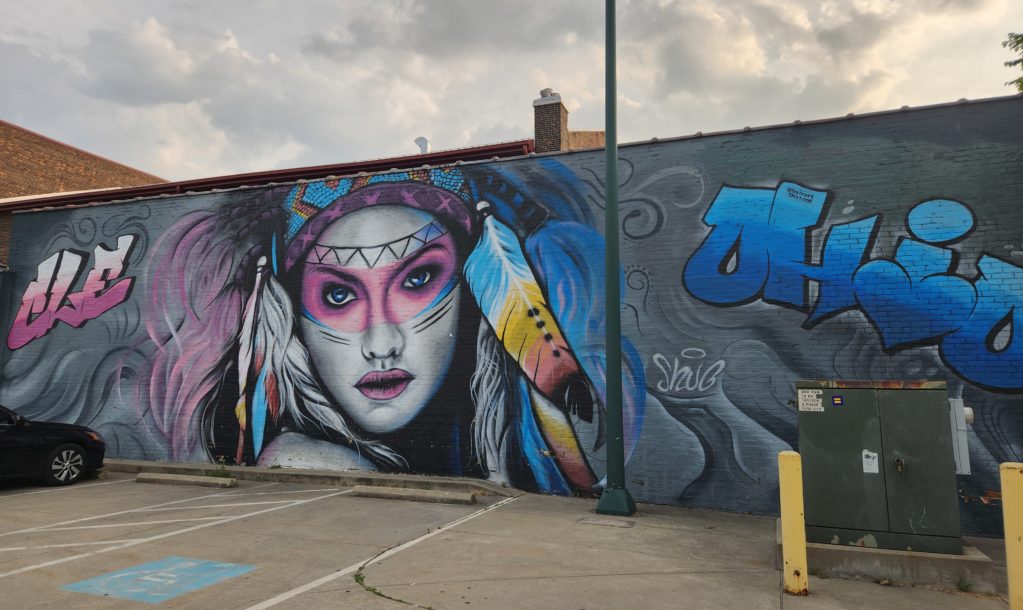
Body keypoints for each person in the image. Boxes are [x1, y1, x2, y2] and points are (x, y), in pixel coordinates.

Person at [146, 162, 648, 493]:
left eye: (419, 279)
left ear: (476, 289)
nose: (381, 343)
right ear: (288, 315)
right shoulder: (301, 459)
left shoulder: (513, 446)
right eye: (338, 295)